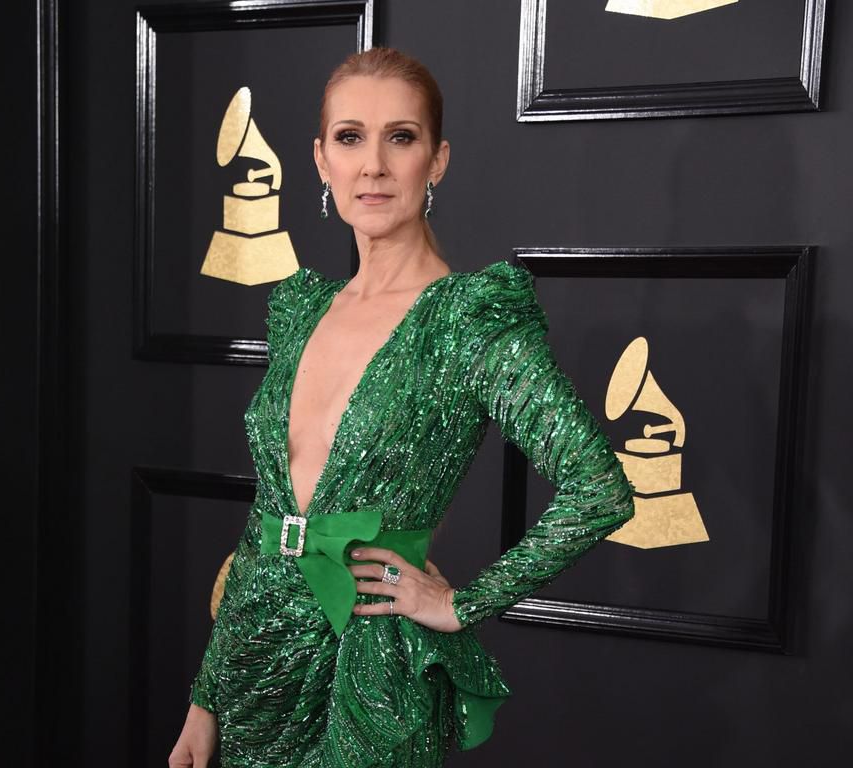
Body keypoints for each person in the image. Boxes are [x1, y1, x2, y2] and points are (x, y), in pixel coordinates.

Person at [168, 46, 636, 768]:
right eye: (351, 138)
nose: (374, 165)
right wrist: (205, 700)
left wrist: (460, 604)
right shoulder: (300, 309)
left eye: (402, 137)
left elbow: (599, 488)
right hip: (257, 655)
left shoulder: (469, 320)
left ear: (437, 161)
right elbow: (266, 515)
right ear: (321, 161)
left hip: (373, 668)